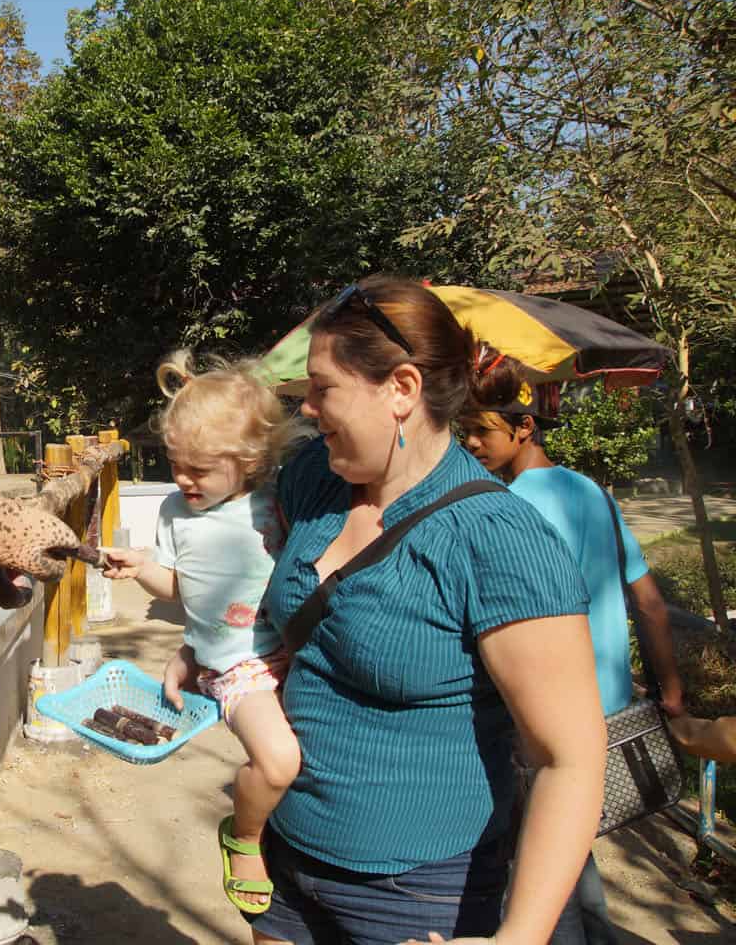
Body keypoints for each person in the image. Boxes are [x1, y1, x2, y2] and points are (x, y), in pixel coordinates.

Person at [248, 277, 606, 945]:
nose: (308, 408)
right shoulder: (314, 479)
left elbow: (572, 757)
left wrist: (518, 936)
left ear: (402, 389)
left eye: (323, 389)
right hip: (289, 857)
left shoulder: (498, 538)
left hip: (418, 894)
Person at [460, 357, 685, 945]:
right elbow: (650, 601)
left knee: (537, 875)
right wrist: (672, 691)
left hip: (545, 719)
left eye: (482, 430)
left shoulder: (509, 510)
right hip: (608, 708)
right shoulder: (591, 492)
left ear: (524, 427)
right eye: (465, 431)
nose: (471, 442)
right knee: (566, 858)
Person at [102, 349, 301, 915]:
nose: (183, 479)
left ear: (250, 458)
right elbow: (179, 587)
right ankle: (242, 835)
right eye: (176, 464)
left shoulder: (277, 499)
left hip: (293, 652)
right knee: (279, 761)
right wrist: (142, 568)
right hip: (239, 668)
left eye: (200, 468)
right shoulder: (173, 511)